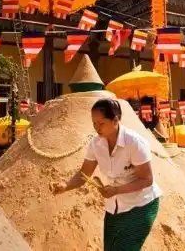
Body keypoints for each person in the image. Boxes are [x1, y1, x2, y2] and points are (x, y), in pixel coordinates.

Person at [52, 98, 162, 251]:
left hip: (142, 204)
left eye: (101, 123)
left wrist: (116, 190)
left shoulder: (134, 143)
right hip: (114, 207)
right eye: (94, 123)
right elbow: (84, 173)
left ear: (115, 120)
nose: (97, 128)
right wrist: (65, 186)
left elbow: (147, 180)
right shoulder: (95, 144)